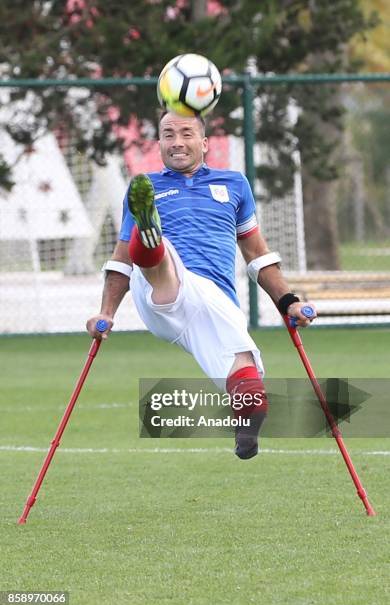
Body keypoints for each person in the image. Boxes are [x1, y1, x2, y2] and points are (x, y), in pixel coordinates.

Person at [87, 111, 316, 459]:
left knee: (250, 385)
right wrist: (105, 313)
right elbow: (120, 261)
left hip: (214, 302)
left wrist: (288, 302)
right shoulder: (145, 185)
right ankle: (150, 238)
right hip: (162, 292)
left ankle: (246, 429)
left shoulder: (235, 184)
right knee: (163, 257)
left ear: (205, 143)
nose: (177, 141)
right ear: (160, 143)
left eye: (186, 133)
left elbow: (257, 255)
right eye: (168, 135)